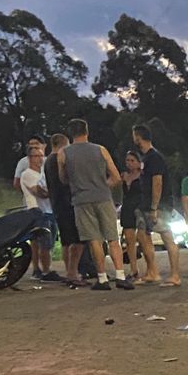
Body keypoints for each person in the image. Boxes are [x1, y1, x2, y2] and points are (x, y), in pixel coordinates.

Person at [57, 118, 133, 291]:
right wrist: (102, 186)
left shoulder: (64, 153)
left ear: (71, 133)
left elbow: (63, 178)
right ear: (87, 131)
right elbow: (115, 176)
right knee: (112, 238)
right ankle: (120, 276)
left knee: (94, 240)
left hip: (81, 200)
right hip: (103, 197)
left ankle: (102, 278)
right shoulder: (101, 150)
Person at [132, 124, 181, 285]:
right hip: (146, 204)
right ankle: (152, 272)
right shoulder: (146, 158)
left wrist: (155, 207)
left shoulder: (154, 157)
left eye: (134, 137)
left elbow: (157, 182)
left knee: (167, 237)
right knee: (143, 236)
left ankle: (175, 275)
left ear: (138, 137)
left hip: (159, 205)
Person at [45, 133, 89, 286]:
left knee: (66, 241)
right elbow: (66, 180)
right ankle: (73, 272)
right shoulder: (58, 159)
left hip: (56, 204)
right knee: (78, 240)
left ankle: (70, 271)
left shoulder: (47, 161)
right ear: (64, 144)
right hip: (67, 203)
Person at [17, 138, 58, 281]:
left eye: (41, 156)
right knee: (43, 243)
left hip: (48, 210)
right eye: (36, 156)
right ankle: (44, 270)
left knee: (47, 242)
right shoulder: (28, 174)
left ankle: (41, 269)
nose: (40, 159)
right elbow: (40, 192)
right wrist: (51, 192)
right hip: (37, 210)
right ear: (29, 158)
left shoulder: (42, 174)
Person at [120, 150, 156, 282]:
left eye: (132, 161)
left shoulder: (143, 176)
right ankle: (133, 270)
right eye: (127, 161)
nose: (129, 163)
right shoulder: (124, 175)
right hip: (127, 206)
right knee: (129, 239)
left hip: (140, 206)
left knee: (144, 238)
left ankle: (151, 268)